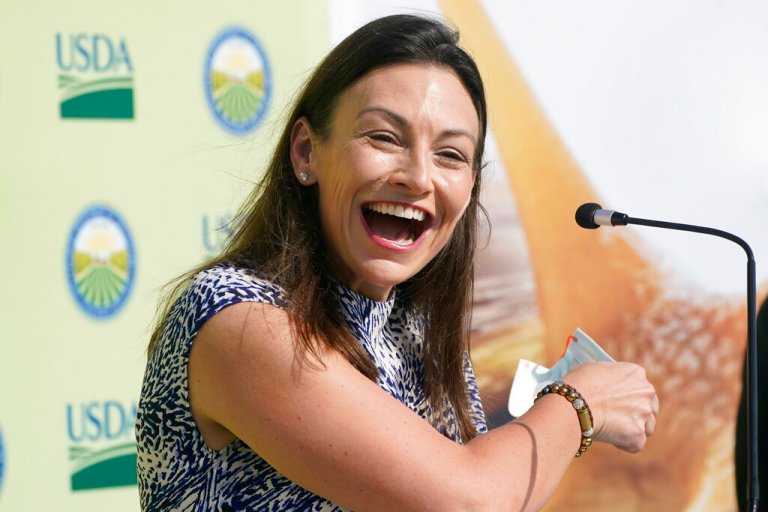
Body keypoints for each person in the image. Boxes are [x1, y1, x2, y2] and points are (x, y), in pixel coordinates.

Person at [136, 13, 659, 511]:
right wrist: (579, 403)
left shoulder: (417, 330)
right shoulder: (238, 319)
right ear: (306, 152)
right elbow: (468, 500)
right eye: (384, 137)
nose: (418, 177)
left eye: (450, 155)